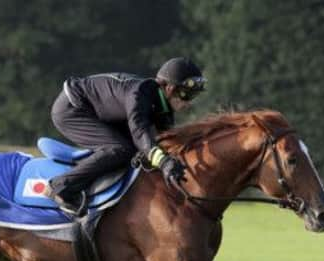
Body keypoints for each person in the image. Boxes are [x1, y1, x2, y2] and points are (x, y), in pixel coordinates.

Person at [46, 57, 206, 215]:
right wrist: (163, 161)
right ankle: (60, 187)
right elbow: (139, 132)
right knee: (119, 149)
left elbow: (165, 141)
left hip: (96, 112)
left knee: (136, 151)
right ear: (170, 89)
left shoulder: (162, 106)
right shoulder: (139, 95)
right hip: (71, 109)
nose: (189, 102)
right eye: (187, 95)